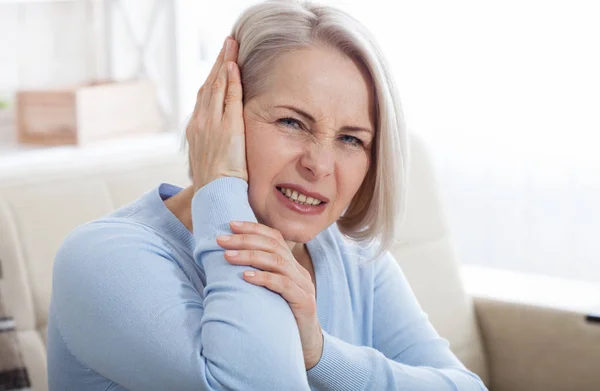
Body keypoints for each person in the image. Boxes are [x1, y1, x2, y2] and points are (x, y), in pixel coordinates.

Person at [47, 0, 488, 390]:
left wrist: (320, 354)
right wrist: (220, 189)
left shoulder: (353, 260)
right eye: (292, 123)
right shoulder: (102, 260)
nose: (320, 164)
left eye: (351, 139)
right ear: (220, 117)